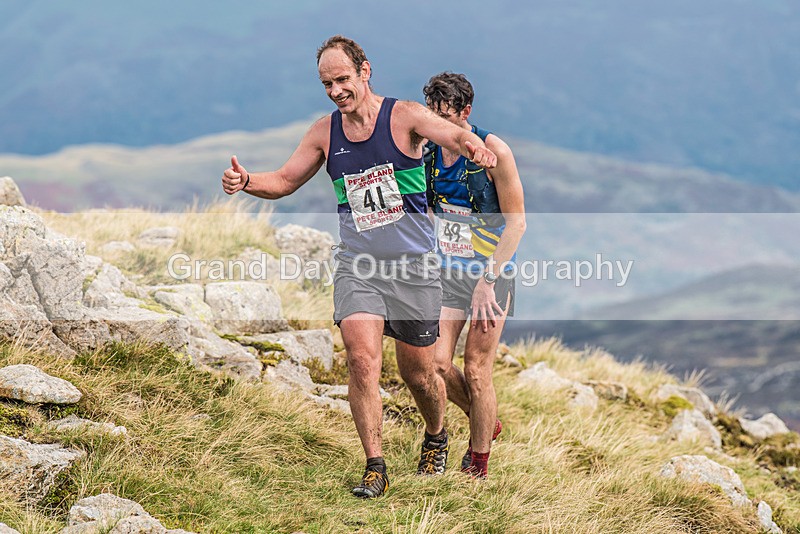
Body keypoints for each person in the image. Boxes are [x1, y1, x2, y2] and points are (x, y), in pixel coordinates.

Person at [221, 36, 498, 498]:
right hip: (359, 265)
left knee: (421, 374)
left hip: (414, 267)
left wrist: (475, 148)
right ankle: (375, 466)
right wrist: (247, 180)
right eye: (327, 83)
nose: (335, 91)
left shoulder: (404, 115)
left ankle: (435, 434)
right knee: (362, 360)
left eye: (342, 80)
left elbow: (450, 133)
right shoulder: (324, 132)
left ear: (365, 71)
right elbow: (286, 180)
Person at [423, 72, 526, 478]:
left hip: (491, 275)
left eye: (447, 117)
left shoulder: (495, 151)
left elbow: (517, 224)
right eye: (434, 116)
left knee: (478, 370)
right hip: (448, 272)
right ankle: (486, 419)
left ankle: (478, 462)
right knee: (435, 362)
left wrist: (488, 282)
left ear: (466, 113)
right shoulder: (429, 148)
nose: (440, 126)